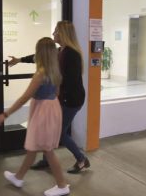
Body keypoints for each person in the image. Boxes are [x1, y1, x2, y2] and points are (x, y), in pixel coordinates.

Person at [8, 20, 90, 174]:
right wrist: (19, 60)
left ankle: (81, 159)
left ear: (63, 34)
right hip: (63, 99)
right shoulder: (61, 51)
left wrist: (52, 91)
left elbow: (69, 82)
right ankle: (47, 160)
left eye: (56, 31)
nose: (53, 34)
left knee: (59, 133)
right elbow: (41, 55)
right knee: (52, 131)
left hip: (71, 101)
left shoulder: (71, 54)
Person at [0, 37, 70, 196]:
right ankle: (18, 177)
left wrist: (6, 114)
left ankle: (62, 186)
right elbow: (56, 93)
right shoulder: (55, 72)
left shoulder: (40, 74)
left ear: (40, 53)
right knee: (33, 147)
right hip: (52, 109)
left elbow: (24, 98)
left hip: (43, 112)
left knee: (47, 150)